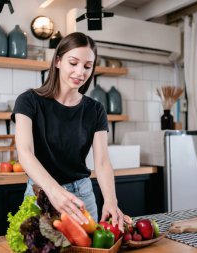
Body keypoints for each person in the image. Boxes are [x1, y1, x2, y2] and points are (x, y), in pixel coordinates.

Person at [11, 32, 124, 232]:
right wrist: (53, 190)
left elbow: (102, 161)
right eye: (73, 63)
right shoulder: (28, 101)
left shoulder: (95, 110)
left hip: (82, 196)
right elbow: (25, 152)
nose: (80, 72)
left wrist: (111, 201)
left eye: (87, 66)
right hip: (40, 194)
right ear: (57, 61)